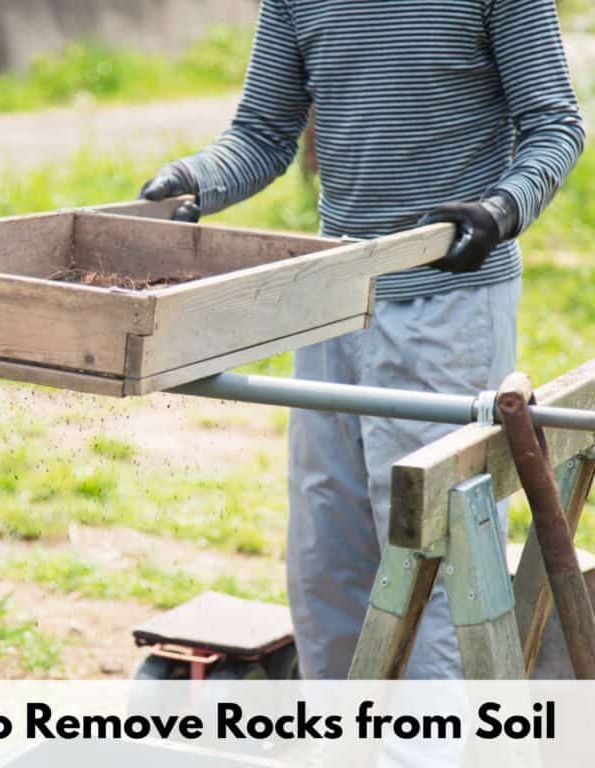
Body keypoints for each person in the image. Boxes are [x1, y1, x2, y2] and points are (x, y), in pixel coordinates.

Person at [140, 0, 585, 679]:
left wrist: (502, 209)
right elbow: (262, 132)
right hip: (335, 301)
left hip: (451, 306)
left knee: (430, 565)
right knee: (328, 564)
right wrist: (197, 177)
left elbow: (555, 124)